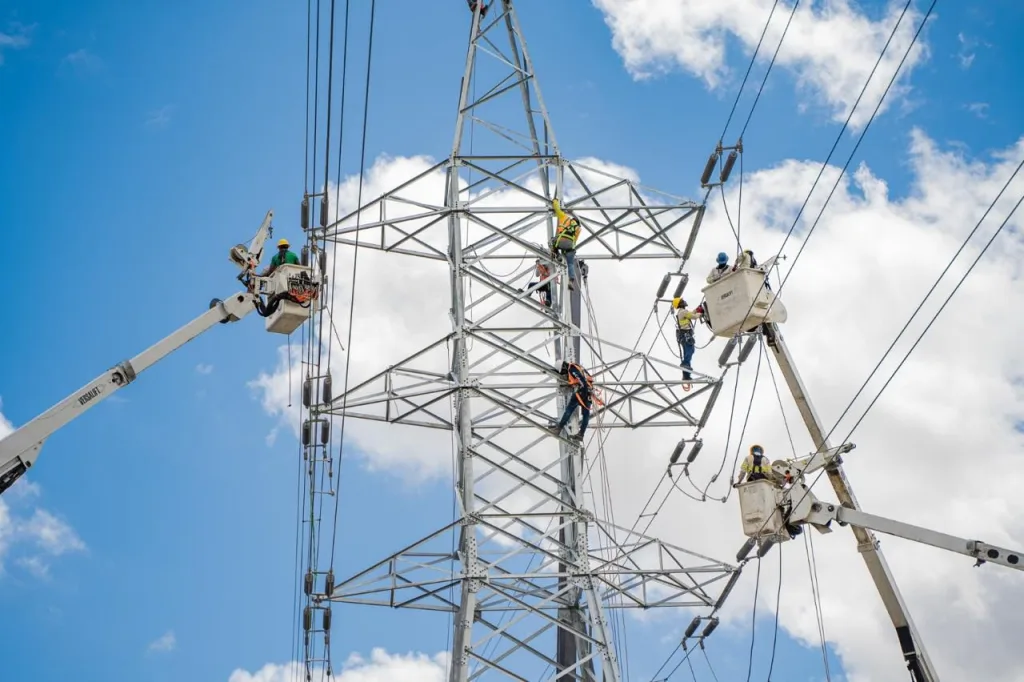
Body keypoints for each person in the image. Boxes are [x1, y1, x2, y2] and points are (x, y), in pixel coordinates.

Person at [550, 360, 594, 442]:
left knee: (569, 409)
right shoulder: (577, 367)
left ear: (564, 367)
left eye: (562, 371)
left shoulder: (572, 369)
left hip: (582, 390)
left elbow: (582, 380)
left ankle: (558, 428)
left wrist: (582, 394)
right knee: (586, 414)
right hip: (589, 391)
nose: (563, 373)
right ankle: (581, 434)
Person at [551, 198, 582, 290]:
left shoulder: (564, 217)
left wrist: (555, 201)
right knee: (570, 264)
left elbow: (557, 209)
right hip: (570, 246)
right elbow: (574, 241)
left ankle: (557, 255)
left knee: (552, 241)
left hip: (560, 241)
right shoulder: (578, 228)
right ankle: (571, 281)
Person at [673, 297, 700, 380]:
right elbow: (694, 317)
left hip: (683, 335)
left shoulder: (682, 312)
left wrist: (697, 310)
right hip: (685, 335)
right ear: (680, 304)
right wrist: (700, 313)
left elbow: (690, 314)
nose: (684, 301)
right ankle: (684, 364)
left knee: (688, 352)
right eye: (682, 301)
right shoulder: (683, 312)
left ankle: (686, 375)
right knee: (690, 350)